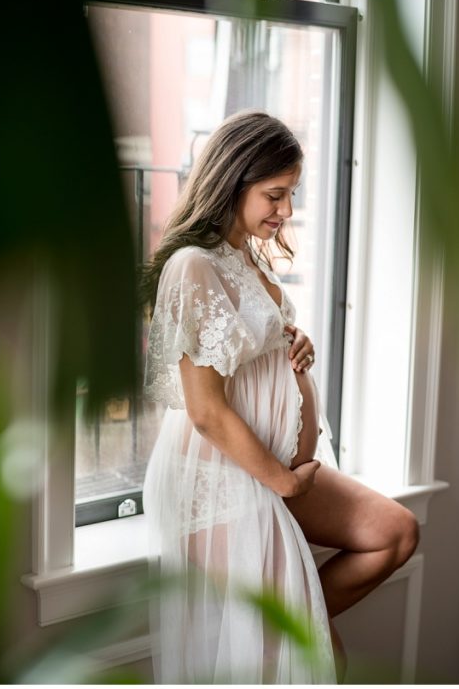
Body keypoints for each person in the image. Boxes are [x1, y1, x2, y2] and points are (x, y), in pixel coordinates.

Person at [140, 111, 419, 683]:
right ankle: (282, 619)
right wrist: (284, 479)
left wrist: (294, 345)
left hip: (275, 470)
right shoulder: (193, 265)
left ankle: (284, 614)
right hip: (227, 481)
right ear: (233, 180)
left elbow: (248, 348)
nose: (286, 211)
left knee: (395, 533)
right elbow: (205, 408)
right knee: (316, 659)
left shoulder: (245, 257)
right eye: (275, 195)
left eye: (291, 195)